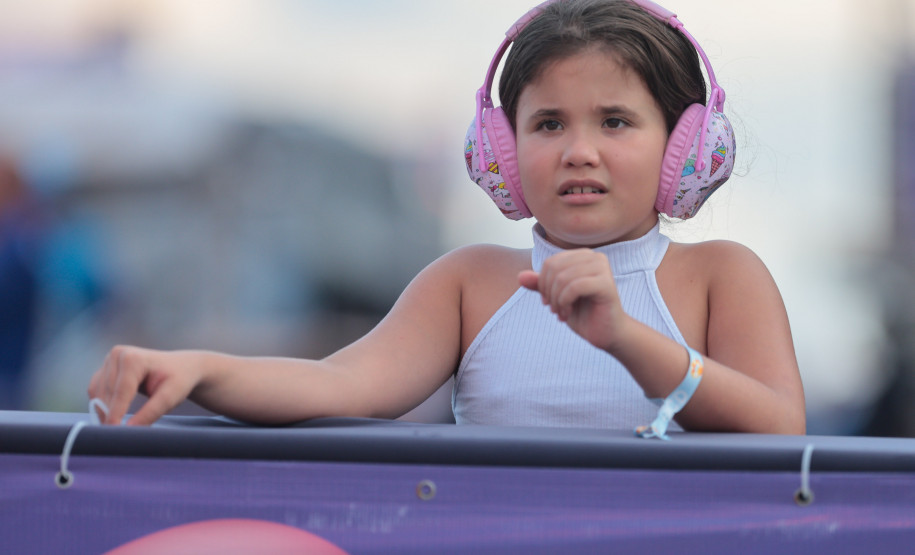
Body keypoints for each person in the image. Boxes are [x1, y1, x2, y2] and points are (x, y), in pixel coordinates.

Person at [88, 0, 806, 435]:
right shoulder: (468, 281)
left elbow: (779, 426)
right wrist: (197, 369)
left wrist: (620, 335)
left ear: (685, 148)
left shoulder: (722, 274)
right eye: (548, 123)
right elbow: (337, 383)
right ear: (500, 149)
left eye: (615, 121)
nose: (578, 151)